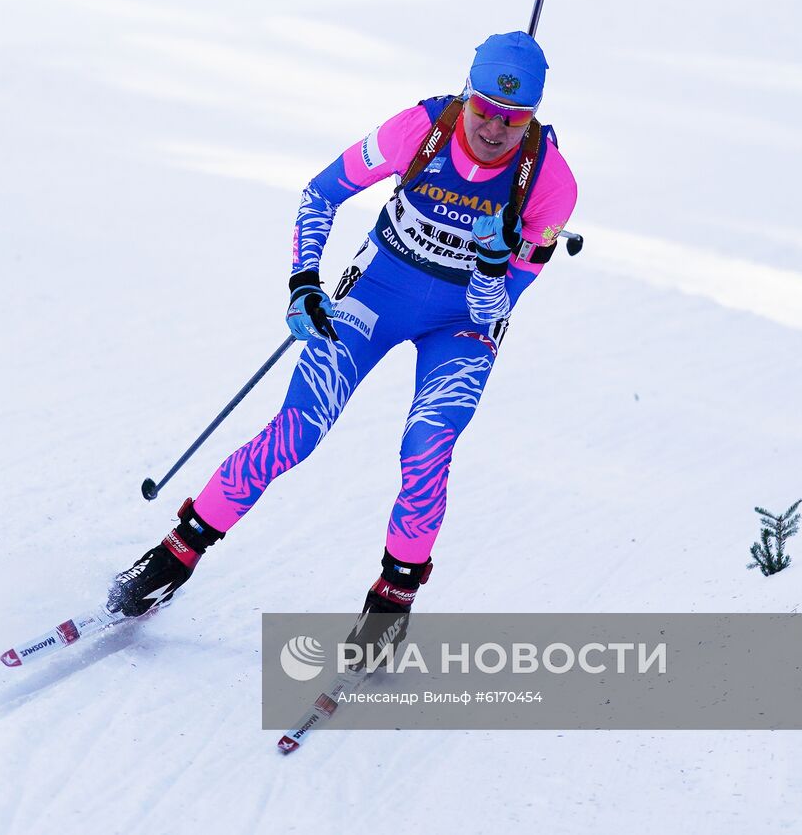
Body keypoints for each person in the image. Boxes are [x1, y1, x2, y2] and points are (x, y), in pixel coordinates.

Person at [109, 31, 578, 621]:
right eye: (484, 110)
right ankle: (174, 556)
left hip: (460, 324)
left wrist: (491, 263)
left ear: (534, 116)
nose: (494, 130)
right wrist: (305, 281)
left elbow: (494, 310)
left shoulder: (551, 184)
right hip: (378, 295)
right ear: (467, 96)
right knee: (295, 432)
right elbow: (320, 194)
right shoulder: (417, 131)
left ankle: (390, 606)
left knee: (428, 449)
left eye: (514, 119)